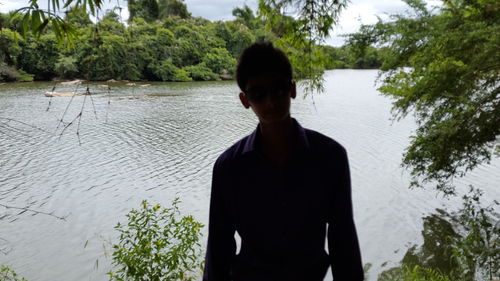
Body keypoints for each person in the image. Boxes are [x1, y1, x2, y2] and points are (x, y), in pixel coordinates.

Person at [203, 42, 363, 281]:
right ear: (245, 100)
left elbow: (343, 242)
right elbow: (219, 247)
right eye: (258, 94)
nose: (270, 103)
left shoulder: (330, 158)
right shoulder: (229, 167)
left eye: (278, 90)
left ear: (292, 89)